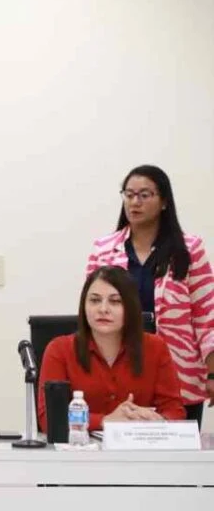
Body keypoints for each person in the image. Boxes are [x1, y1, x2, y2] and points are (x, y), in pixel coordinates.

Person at [87, 165, 214, 423]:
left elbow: (206, 315)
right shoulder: (103, 249)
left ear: (164, 201)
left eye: (144, 195)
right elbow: (90, 309)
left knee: (177, 445)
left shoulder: (189, 249)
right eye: (129, 194)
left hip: (178, 373)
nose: (135, 202)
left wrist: (212, 373)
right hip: (121, 368)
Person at [38, 266, 185, 431]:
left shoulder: (155, 347)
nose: (103, 309)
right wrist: (105, 421)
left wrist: (155, 419)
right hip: (81, 446)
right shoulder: (59, 350)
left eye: (115, 301)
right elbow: (49, 419)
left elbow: (175, 411)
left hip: (138, 445)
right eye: (95, 300)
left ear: (130, 307)